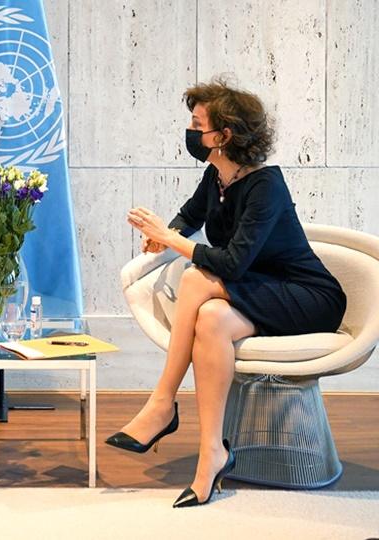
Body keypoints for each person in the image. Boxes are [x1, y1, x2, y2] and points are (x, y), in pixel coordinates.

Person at [105, 79, 346, 507]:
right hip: (261, 290)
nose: (191, 131)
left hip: (307, 297)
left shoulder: (266, 185)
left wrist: (172, 238)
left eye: (198, 124)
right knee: (211, 318)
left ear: (224, 135)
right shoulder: (217, 175)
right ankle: (212, 455)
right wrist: (166, 237)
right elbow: (191, 216)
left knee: (197, 277)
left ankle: (162, 405)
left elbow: (233, 263)